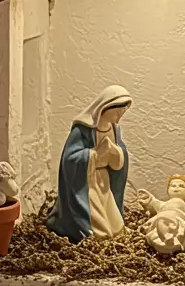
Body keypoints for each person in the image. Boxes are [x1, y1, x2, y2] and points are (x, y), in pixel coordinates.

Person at [47, 86, 132, 243]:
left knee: (115, 225)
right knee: (97, 226)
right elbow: (69, 159)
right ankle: (87, 233)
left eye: (123, 112)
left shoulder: (114, 129)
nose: (120, 115)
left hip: (104, 181)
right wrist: (95, 154)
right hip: (86, 183)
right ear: (105, 107)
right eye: (117, 112)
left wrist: (116, 152)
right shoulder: (83, 129)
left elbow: (122, 155)